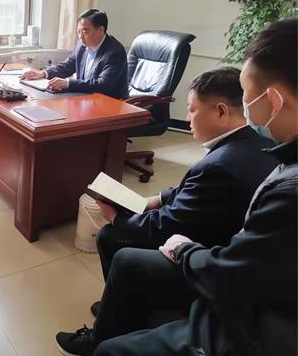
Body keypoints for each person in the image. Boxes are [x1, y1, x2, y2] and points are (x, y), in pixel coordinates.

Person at [55, 18, 297, 356]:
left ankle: (106, 332)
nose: (247, 109)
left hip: (219, 275)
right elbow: (193, 191)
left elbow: (177, 229)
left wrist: (122, 221)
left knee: (118, 248)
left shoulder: (238, 169)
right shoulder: (268, 145)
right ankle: (120, 305)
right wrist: (158, 198)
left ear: (272, 101)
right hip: (221, 245)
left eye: (247, 97)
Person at [92, 67, 279, 289]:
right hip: (233, 234)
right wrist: (158, 199)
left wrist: (116, 219)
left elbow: (167, 226)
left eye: (192, 110)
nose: (188, 118)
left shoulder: (220, 165)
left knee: (110, 236)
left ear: (221, 112)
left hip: (213, 258)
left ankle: (123, 303)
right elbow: (200, 192)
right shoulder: (263, 139)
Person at [20, 9, 127, 97]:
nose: (80, 37)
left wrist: (68, 83)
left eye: (85, 32)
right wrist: (43, 73)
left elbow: (102, 84)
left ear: (100, 30)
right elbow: (66, 67)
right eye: (78, 32)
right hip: (86, 98)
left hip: (110, 104)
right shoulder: (81, 45)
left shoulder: (115, 52)